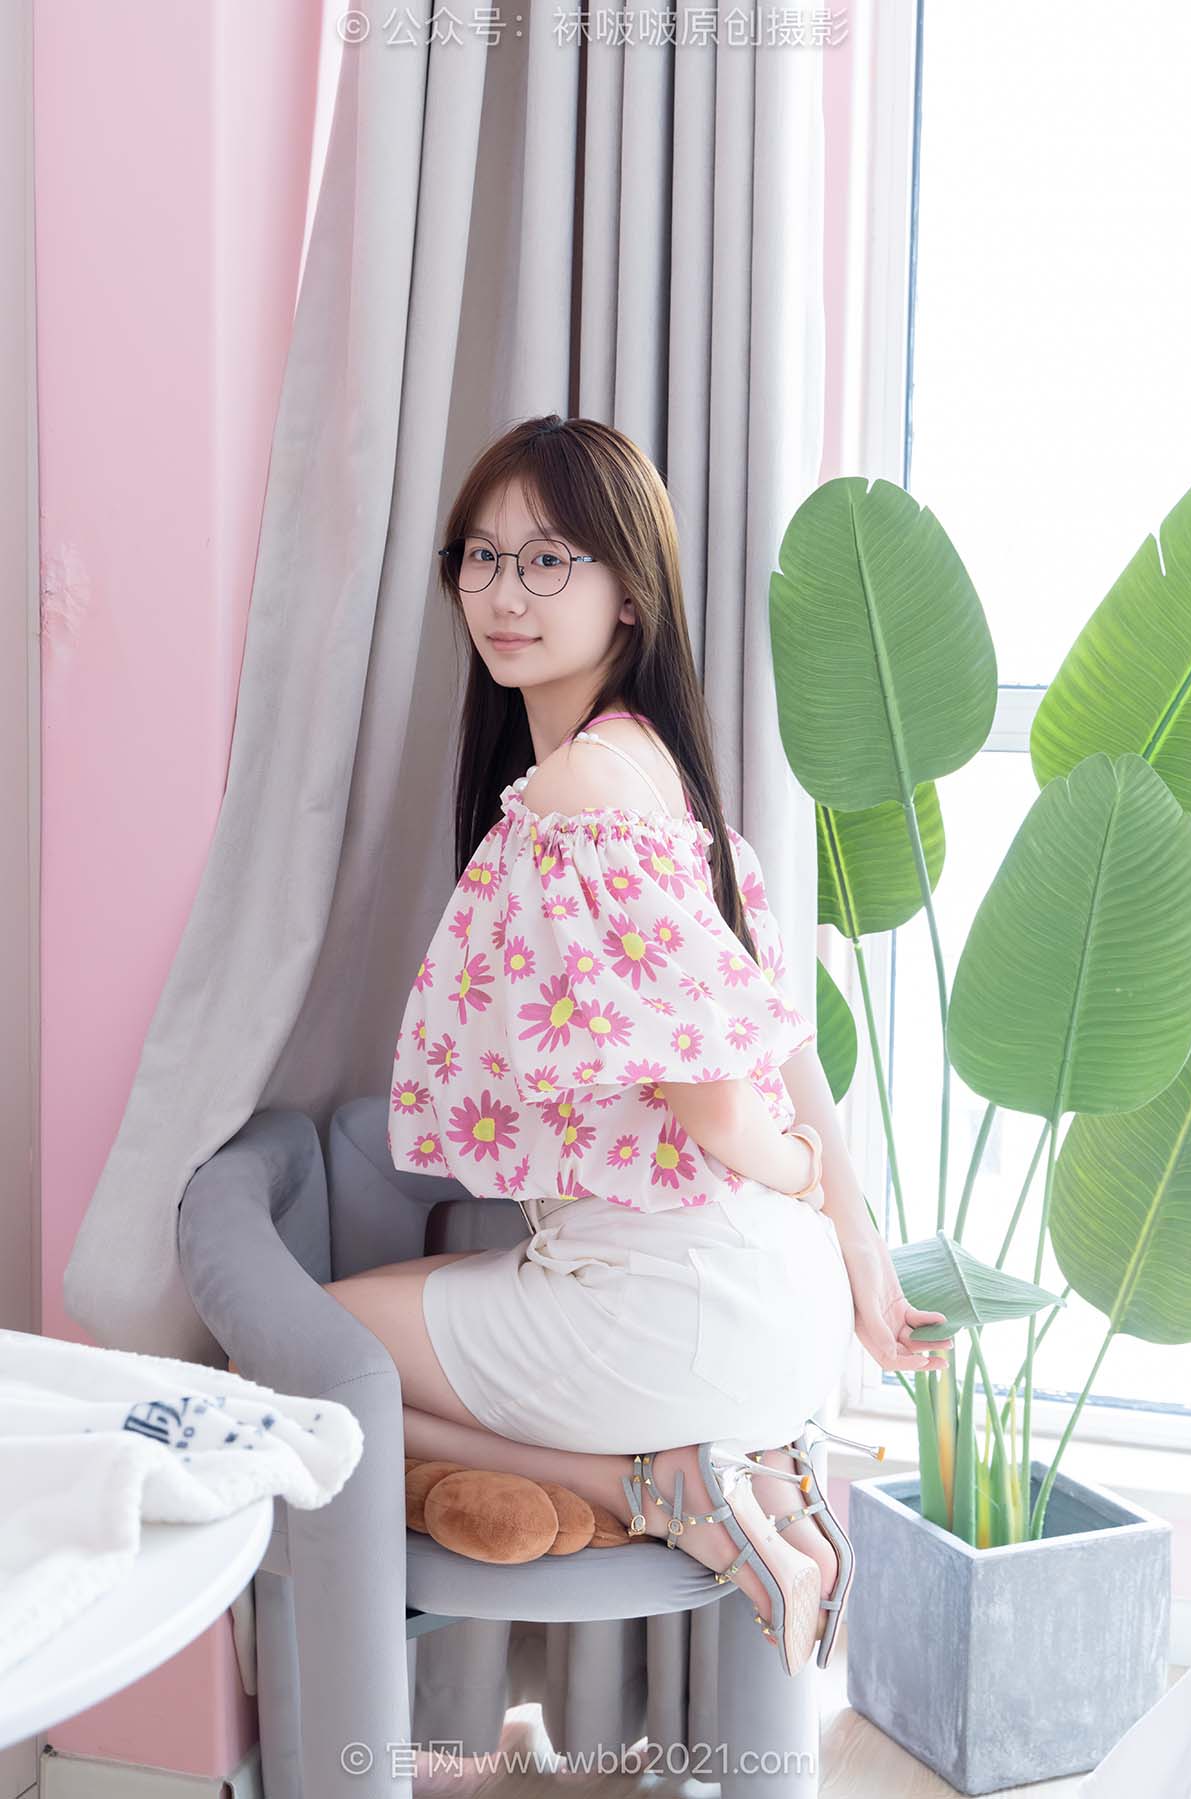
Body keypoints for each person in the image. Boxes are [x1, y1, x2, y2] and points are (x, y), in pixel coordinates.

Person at [321, 413, 952, 1680]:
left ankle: (661, 1484)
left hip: (671, 1308)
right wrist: (858, 1257)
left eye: (548, 559)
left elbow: (723, 1105)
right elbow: (783, 1040)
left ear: (627, 592)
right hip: (775, 1312)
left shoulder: (580, 796)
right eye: (482, 556)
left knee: (305, 1349)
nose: (505, 594)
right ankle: (745, 1474)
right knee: (384, 1320)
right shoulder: (668, 783)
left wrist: (795, 1170)